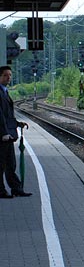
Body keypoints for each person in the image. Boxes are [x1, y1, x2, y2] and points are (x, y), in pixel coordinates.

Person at [0, 65, 32, 198]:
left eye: (10, 75)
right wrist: (3, 133)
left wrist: (18, 124)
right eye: (5, 75)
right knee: (1, 165)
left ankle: (16, 188)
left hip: (9, 134)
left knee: (11, 164)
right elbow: (0, 115)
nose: (9, 77)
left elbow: (7, 116)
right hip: (3, 136)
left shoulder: (4, 91)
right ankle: (1, 191)